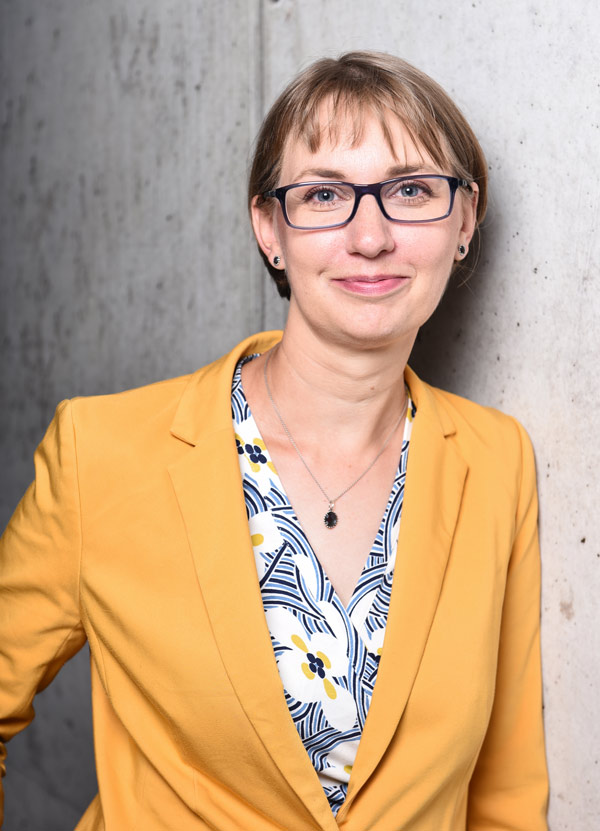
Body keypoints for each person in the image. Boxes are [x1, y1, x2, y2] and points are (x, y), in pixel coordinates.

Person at [0, 51, 548, 830]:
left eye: (411, 191)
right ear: (269, 229)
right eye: (324, 194)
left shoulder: (495, 461)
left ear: (464, 221)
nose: (370, 236)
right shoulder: (104, 453)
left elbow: (506, 793)